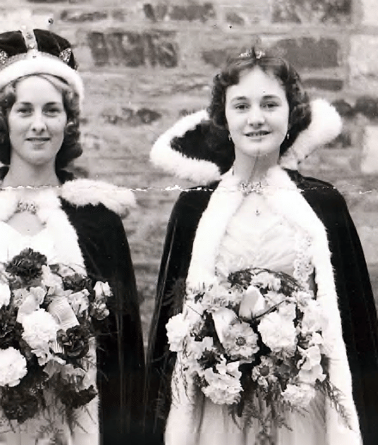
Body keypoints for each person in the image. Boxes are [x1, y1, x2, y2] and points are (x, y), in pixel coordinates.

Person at [0, 28, 145, 445]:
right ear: (3, 119)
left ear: (68, 119)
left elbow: (122, 349)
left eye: (51, 110)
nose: (39, 125)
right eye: (24, 110)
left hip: (64, 424)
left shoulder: (97, 221)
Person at [144, 48, 378, 444]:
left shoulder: (323, 204)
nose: (256, 118)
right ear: (224, 118)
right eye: (242, 105)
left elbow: (353, 325)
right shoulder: (194, 207)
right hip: (217, 410)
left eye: (270, 104)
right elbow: (175, 326)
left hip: (304, 408)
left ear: (291, 114)